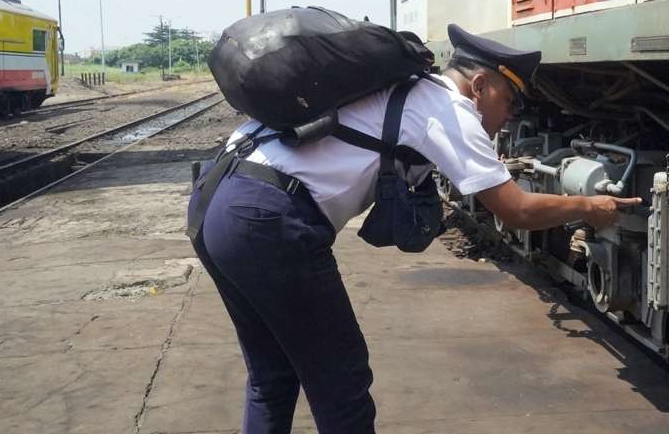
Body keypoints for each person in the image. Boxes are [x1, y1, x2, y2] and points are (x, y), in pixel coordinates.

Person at [188, 23, 642, 434]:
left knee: (272, 375)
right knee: (342, 385)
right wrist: (589, 205)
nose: (508, 116)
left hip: (215, 199)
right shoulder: (449, 109)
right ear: (480, 85)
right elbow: (516, 210)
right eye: (510, 101)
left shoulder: (403, 89)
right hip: (266, 219)